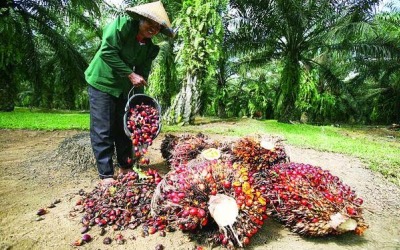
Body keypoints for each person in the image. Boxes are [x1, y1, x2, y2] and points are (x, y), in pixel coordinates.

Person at [85, 1, 175, 185]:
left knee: (127, 127)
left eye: (158, 27)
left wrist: (140, 103)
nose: (153, 29)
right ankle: (106, 175)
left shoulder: (151, 48)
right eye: (150, 23)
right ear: (141, 19)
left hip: (124, 88)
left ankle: (125, 166)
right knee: (104, 129)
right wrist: (130, 74)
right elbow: (107, 52)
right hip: (102, 81)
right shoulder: (121, 26)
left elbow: (141, 73)